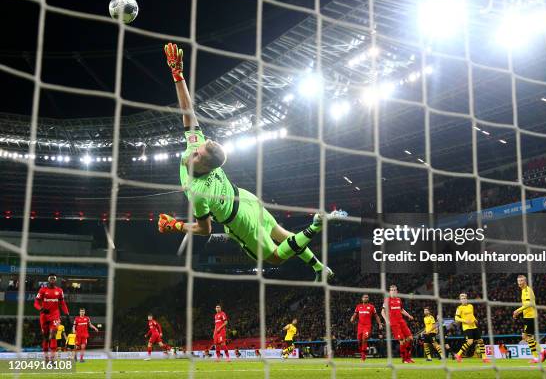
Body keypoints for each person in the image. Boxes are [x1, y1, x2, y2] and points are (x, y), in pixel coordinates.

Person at [156, 42, 346, 282]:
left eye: (197, 155)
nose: (191, 153)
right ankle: (320, 268)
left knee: (276, 257)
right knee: (281, 233)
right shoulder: (196, 147)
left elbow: (205, 230)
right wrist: (178, 76)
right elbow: (187, 111)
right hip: (245, 198)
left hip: (240, 220)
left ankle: (316, 225)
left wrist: (176, 226)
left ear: (206, 167)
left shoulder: (198, 191)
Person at [34, 273, 69, 361]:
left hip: (55, 315)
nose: (52, 280)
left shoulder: (59, 291)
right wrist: (41, 309)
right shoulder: (42, 290)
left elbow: (62, 303)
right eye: (51, 278)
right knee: (46, 337)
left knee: (53, 335)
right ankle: (46, 359)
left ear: (56, 280)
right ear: (48, 280)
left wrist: (67, 313)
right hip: (44, 316)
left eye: (54, 278)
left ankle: (52, 359)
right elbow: (36, 303)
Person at [512, 275, 546, 364]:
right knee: (528, 337)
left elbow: (528, 304)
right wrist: (520, 312)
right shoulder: (524, 290)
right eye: (518, 281)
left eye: (521, 281)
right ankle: (537, 355)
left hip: (530, 317)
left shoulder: (527, 290)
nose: (519, 283)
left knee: (526, 337)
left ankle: (541, 352)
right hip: (528, 316)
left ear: (525, 281)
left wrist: (517, 310)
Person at [381, 285, 415, 363]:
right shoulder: (387, 300)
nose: (393, 291)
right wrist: (386, 321)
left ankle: (408, 357)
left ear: (397, 291)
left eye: (394, 290)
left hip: (401, 321)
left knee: (410, 338)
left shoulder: (399, 300)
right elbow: (382, 312)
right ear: (389, 292)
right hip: (394, 323)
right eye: (392, 290)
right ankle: (404, 359)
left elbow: (402, 310)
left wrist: (409, 315)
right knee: (402, 341)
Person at [454, 293, 490, 363]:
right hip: (466, 327)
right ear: (460, 300)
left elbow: (471, 315)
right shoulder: (459, 308)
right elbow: (456, 318)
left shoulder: (471, 306)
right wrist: (465, 321)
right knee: (470, 342)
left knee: (480, 341)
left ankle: (484, 358)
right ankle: (458, 354)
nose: (464, 300)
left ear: (467, 299)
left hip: (474, 326)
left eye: (464, 298)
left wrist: (475, 319)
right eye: (462, 299)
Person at [350, 294, 383, 361]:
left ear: (368, 299)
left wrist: (380, 324)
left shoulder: (371, 307)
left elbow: (376, 316)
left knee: (364, 338)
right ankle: (362, 352)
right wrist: (352, 318)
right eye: (364, 297)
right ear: (362, 299)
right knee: (359, 340)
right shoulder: (358, 306)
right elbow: (355, 314)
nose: (366, 298)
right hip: (360, 326)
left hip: (367, 326)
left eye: (367, 297)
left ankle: (363, 356)